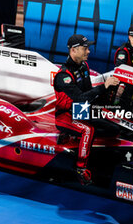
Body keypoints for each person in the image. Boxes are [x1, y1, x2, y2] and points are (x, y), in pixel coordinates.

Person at [53, 34, 120, 185]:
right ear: (74, 50)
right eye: (85, 48)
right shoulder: (63, 76)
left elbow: (89, 93)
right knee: (88, 130)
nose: (88, 51)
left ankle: (85, 148)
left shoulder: (84, 67)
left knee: (114, 128)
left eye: (88, 48)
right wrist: (104, 86)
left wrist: (109, 92)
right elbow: (80, 98)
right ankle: (80, 169)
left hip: (80, 110)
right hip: (65, 115)